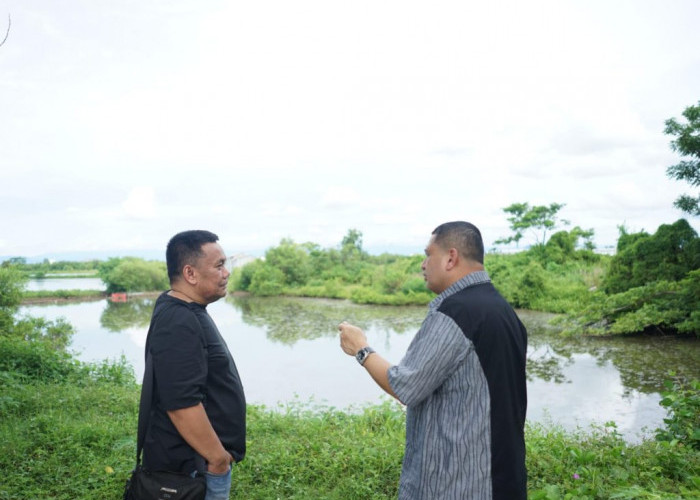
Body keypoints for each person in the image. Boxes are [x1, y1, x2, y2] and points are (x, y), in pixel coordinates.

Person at [339, 221, 527, 500]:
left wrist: (361, 349)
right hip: (502, 477)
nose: (423, 264)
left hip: (462, 484)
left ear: (451, 258)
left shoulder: (457, 311)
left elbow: (406, 386)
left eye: (429, 254)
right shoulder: (501, 309)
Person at [141, 230, 246, 500]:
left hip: (199, 466)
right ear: (190, 274)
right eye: (219, 265)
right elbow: (182, 404)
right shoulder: (179, 321)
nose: (227, 273)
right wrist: (218, 459)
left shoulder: (183, 309)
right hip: (191, 470)